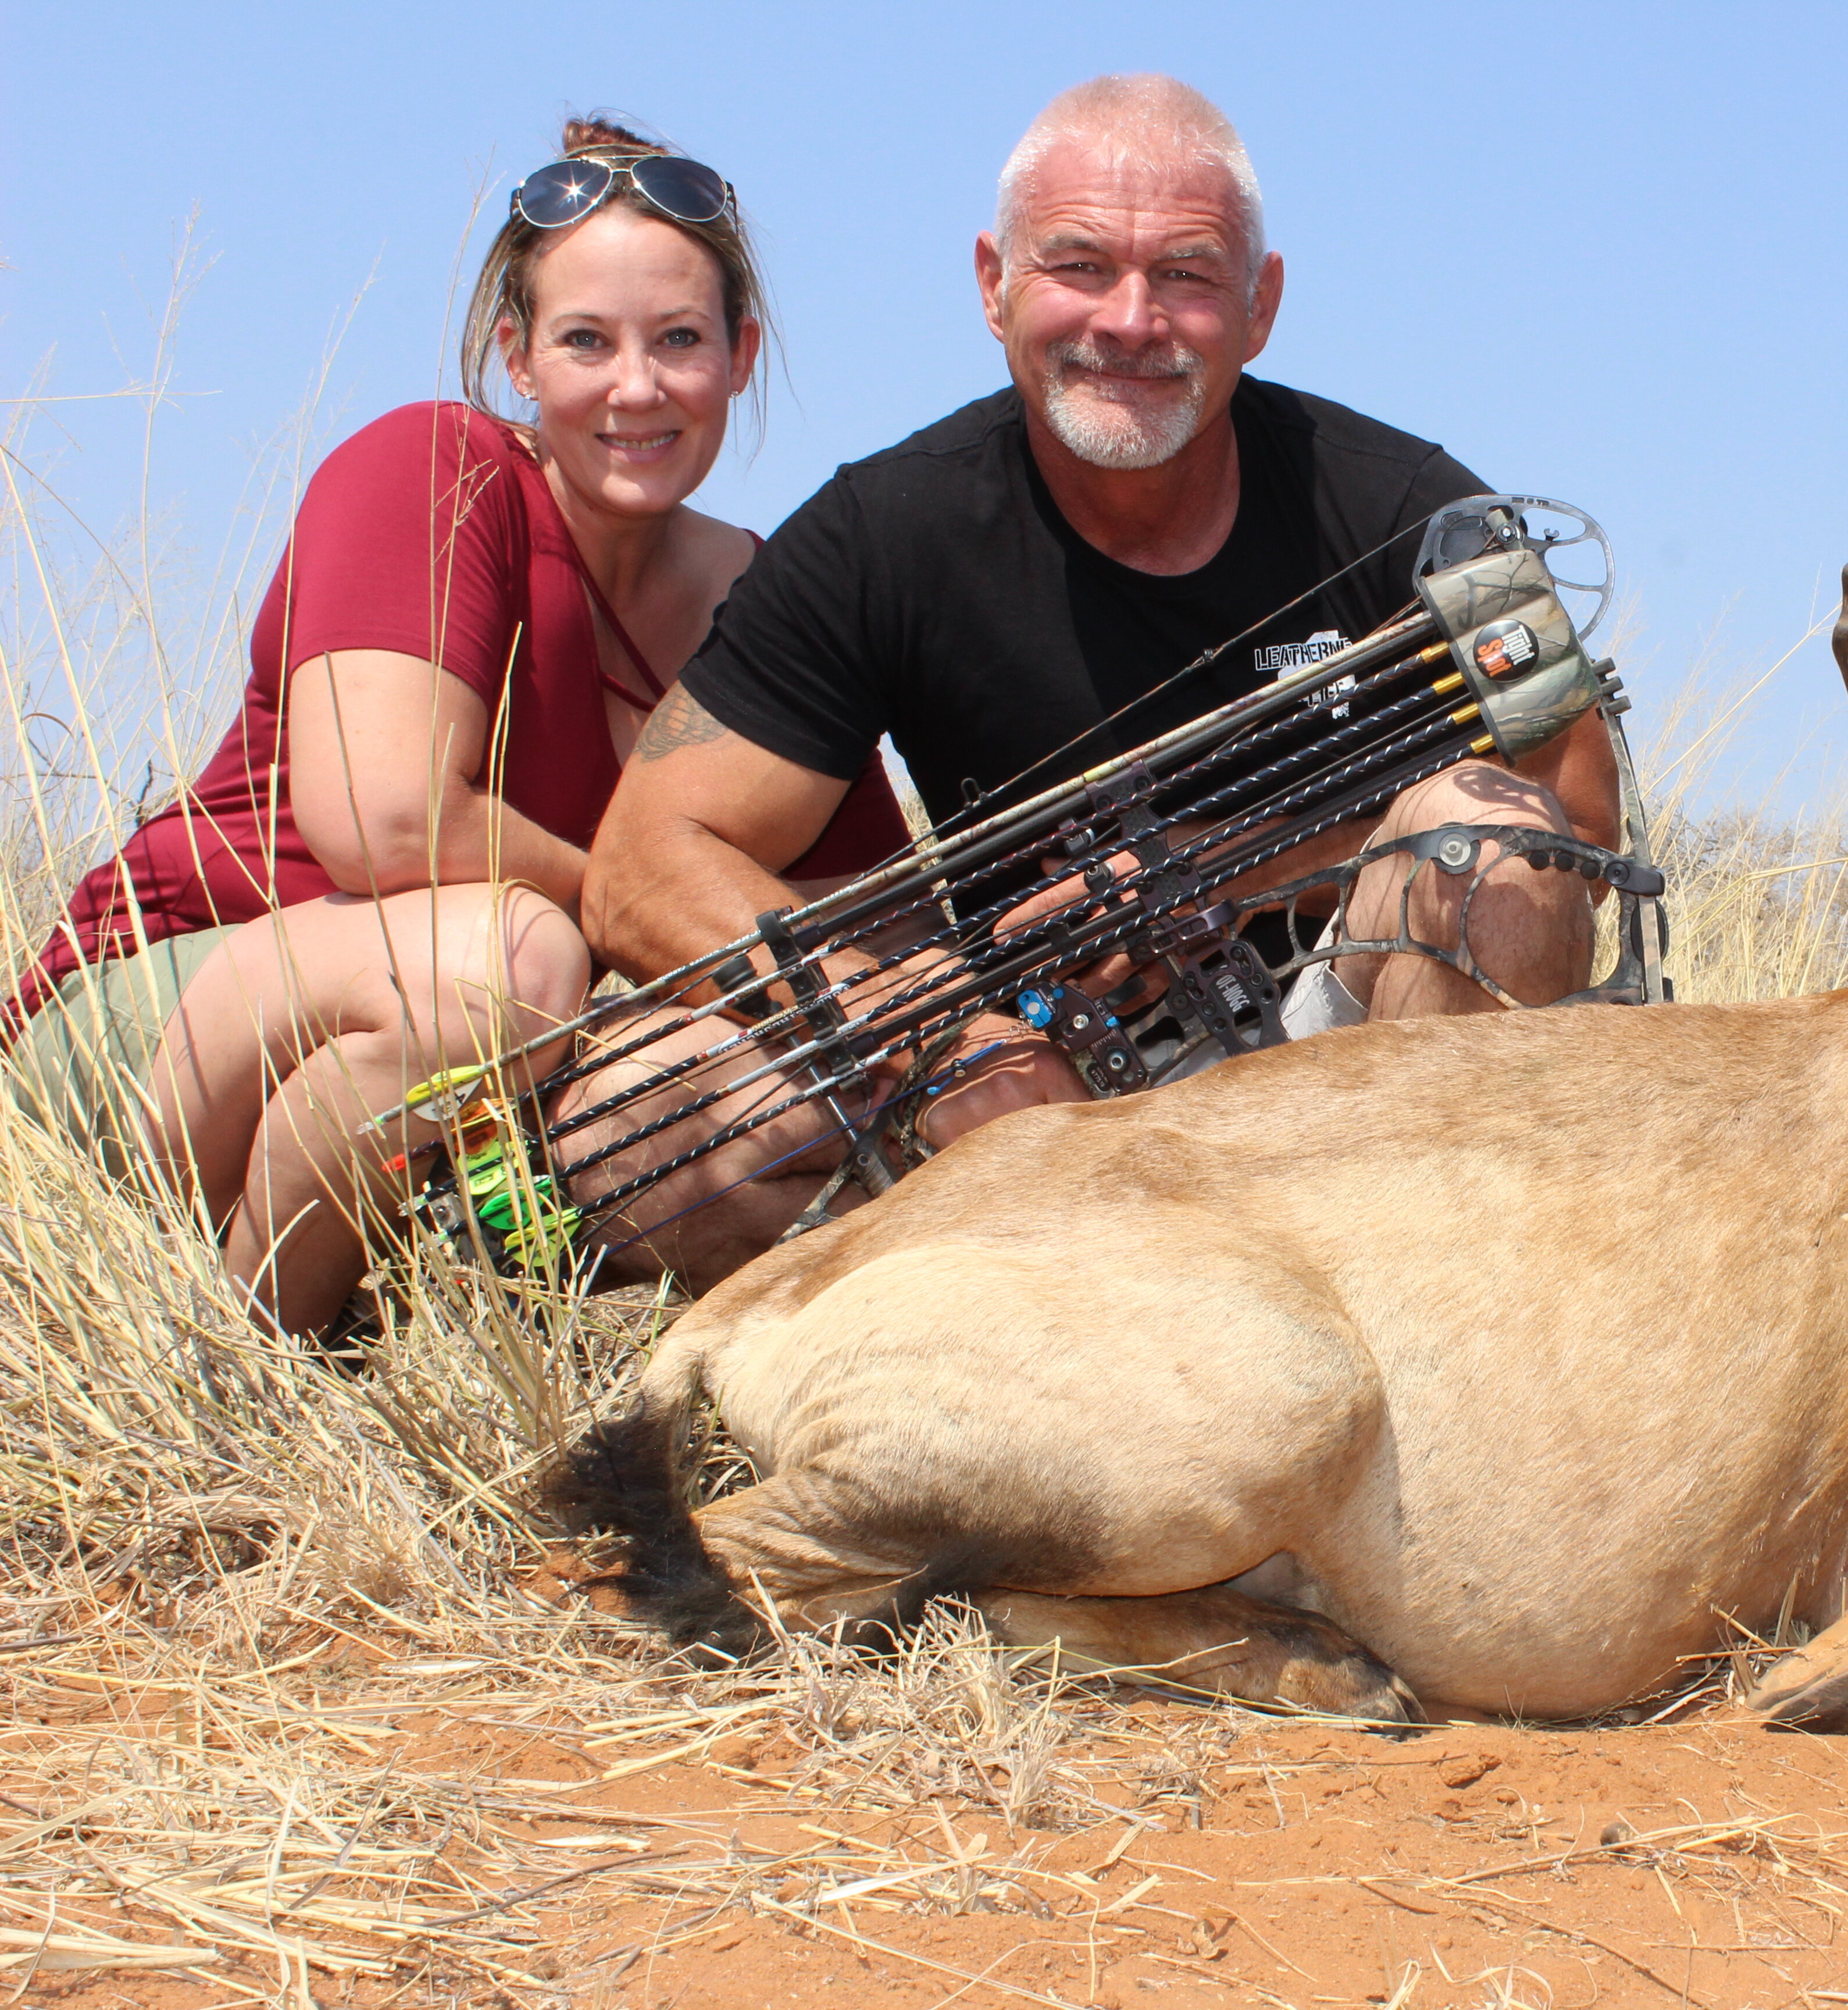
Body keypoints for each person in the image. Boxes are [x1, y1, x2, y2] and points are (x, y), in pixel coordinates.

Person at [571, 74, 1620, 1285]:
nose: (1130, 321)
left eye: (1185, 274)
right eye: (1078, 266)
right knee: (624, 1121)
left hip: (1349, 1094)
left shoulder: (1426, 507)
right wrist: (924, 1038)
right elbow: (642, 868)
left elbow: (1576, 831)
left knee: (1491, 848)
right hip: (1027, 1097)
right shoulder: (880, 529)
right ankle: (1055, 1306)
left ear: (1260, 305)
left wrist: (1214, 874)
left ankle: (1415, 1309)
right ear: (993, 285)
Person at [1, 117, 904, 1341]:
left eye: (679, 341)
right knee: (504, 963)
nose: (636, 387)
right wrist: (657, 919)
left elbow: (873, 922)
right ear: (516, 358)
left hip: (482, 1072)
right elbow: (384, 823)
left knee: (801, 1113)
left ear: (740, 356)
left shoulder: (769, 591)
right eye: (587, 341)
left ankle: (436, 1317)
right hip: (165, 1037)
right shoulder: (434, 464)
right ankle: (243, 1365)